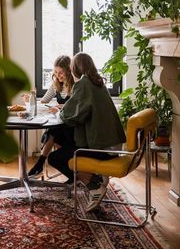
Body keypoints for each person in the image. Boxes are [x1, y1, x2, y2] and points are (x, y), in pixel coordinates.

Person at [47, 52, 126, 212]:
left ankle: (94, 183)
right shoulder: (97, 82)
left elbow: (68, 116)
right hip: (112, 145)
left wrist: (57, 112)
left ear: (76, 68)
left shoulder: (83, 84)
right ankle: (93, 177)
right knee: (63, 135)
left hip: (101, 148)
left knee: (55, 158)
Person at [28, 55, 75, 178]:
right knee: (54, 130)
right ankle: (42, 164)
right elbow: (44, 102)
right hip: (62, 122)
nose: (58, 76)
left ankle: (40, 164)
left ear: (69, 71)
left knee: (54, 130)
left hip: (73, 124)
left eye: (61, 73)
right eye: (56, 72)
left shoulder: (75, 85)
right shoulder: (56, 85)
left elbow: (75, 106)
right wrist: (30, 101)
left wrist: (61, 107)